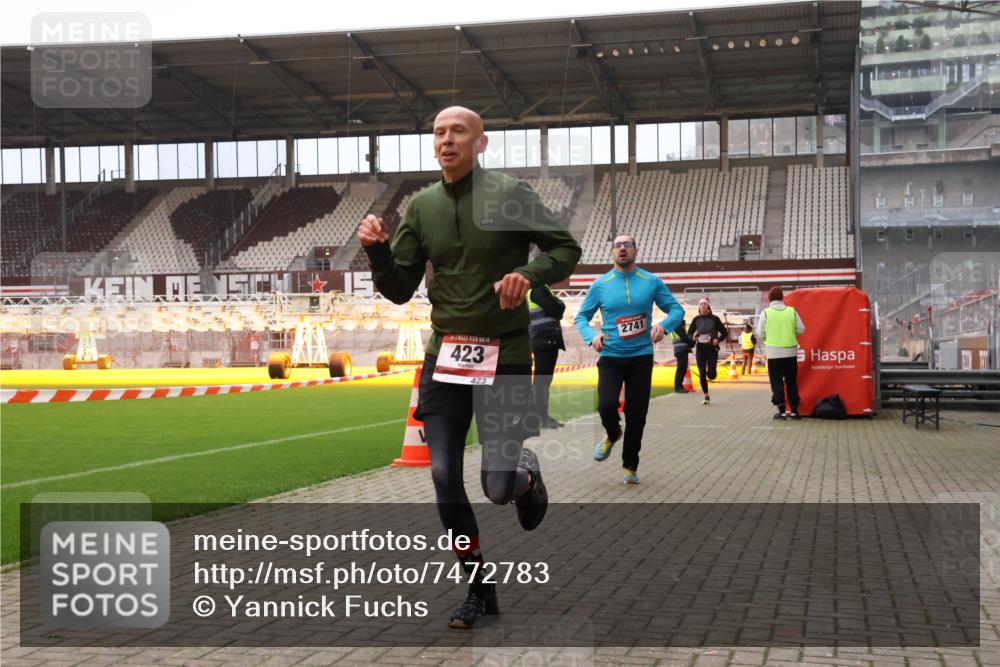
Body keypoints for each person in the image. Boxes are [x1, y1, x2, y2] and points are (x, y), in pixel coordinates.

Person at [357, 106, 581, 629]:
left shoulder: (510, 194)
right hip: (446, 357)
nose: (447, 140)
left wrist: (528, 274)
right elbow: (398, 289)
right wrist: (379, 253)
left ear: (481, 143)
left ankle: (525, 477)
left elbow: (565, 248)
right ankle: (479, 588)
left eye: (458, 132)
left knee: (497, 489)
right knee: (442, 475)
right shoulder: (421, 207)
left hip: (506, 356)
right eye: (439, 133)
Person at [574, 235, 684, 485]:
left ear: (636, 250)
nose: (622, 248)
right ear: (612, 252)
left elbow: (676, 310)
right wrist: (592, 336)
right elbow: (581, 317)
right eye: (617, 245)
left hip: (641, 357)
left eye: (627, 245)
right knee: (606, 405)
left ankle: (630, 465)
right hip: (611, 356)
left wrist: (664, 326)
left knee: (637, 414)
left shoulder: (651, 281)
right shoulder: (600, 284)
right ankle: (613, 433)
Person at [756, 286, 805, 420]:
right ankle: (794, 410)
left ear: (770, 298)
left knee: (776, 382)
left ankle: (782, 410)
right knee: (791, 381)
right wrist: (790, 332)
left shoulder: (766, 313)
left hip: (773, 354)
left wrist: (769, 337)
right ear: (782, 297)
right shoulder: (791, 311)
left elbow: (760, 333)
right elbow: (801, 329)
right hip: (790, 353)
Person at [528, 283, 566, 429]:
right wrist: (559, 302)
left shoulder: (535, 288)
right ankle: (539, 418)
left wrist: (557, 303)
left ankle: (536, 417)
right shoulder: (539, 288)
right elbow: (557, 310)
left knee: (541, 380)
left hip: (541, 338)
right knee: (542, 381)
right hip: (545, 338)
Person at [687, 298, 728, 405]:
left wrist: (717, 340)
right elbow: (689, 333)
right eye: (701, 304)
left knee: (711, 375)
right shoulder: (696, 319)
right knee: (702, 373)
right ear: (699, 307)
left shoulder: (714, 319)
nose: (703, 305)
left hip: (712, 350)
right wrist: (693, 337)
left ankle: (712, 372)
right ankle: (706, 396)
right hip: (700, 349)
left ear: (708, 307)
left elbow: (724, 332)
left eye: (705, 304)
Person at [670, 320, 694, 393]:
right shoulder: (677, 324)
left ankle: (679, 386)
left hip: (681, 349)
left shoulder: (677, 323)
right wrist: (692, 343)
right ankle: (678, 387)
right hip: (680, 349)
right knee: (681, 368)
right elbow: (684, 337)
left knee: (682, 368)